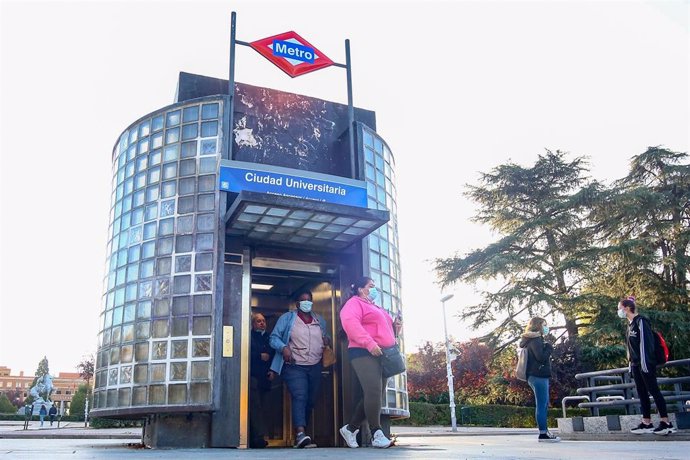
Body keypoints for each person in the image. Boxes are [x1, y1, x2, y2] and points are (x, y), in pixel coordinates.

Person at [338, 276, 402, 449]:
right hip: (363, 351)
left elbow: (384, 331)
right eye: (371, 286)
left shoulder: (376, 307)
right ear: (360, 288)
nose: (374, 289)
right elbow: (350, 323)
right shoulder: (353, 303)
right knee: (373, 390)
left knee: (375, 393)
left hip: (382, 353)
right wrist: (369, 343)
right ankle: (377, 434)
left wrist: (396, 327)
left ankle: (350, 429)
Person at [269, 290, 330, 448]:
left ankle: (304, 434)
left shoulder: (320, 320)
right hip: (294, 366)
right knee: (300, 396)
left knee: (310, 400)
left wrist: (326, 340)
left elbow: (326, 338)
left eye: (309, 300)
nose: (306, 303)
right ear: (297, 304)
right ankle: (300, 434)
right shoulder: (287, 318)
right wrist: (283, 348)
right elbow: (273, 337)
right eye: (303, 300)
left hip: (315, 366)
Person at [618, 296, 677, 435]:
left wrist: (644, 363)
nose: (618, 311)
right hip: (636, 365)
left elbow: (646, 344)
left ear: (626, 308)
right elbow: (631, 348)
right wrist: (631, 365)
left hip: (646, 364)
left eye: (619, 308)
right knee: (642, 393)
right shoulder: (630, 325)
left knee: (654, 391)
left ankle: (666, 422)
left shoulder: (641, 322)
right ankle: (646, 422)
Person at [519, 317, 560, 443]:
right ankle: (543, 434)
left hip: (534, 375)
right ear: (538, 326)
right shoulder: (535, 340)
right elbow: (541, 357)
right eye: (544, 324)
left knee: (542, 404)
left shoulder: (531, 339)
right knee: (542, 405)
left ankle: (544, 432)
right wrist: (549, 347)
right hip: (538, 375)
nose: (546, 327)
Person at [249, 312, 275, 448]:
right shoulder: (249, 336)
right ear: (253, 324)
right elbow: (246, 353)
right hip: (252, 377)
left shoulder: (270, 338)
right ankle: (257, 438)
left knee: (263, 408)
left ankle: (259, 436)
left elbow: (274, 355)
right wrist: (259, 355)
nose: (261, 323)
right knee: (255, 407)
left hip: (265, 379)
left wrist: (273, 370)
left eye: (263, 320)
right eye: (258, 321)